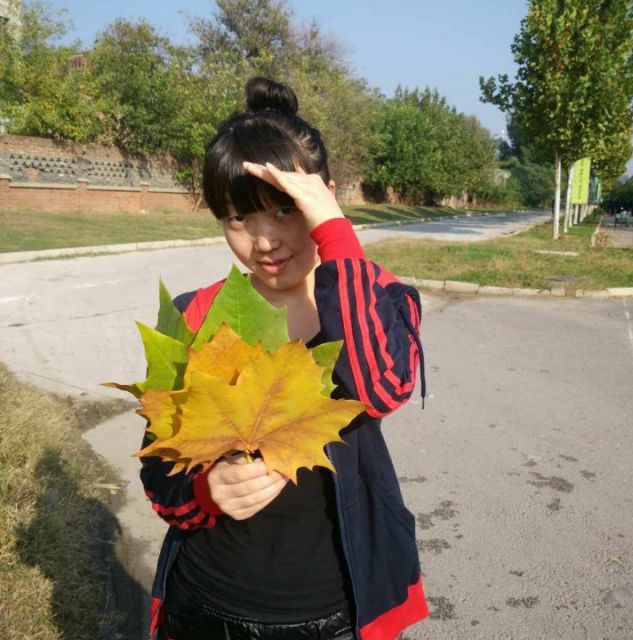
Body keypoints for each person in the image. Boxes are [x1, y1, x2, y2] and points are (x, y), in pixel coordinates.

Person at [141, 76, 429, 640]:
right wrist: (205, 493)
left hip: (334, 607)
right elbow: (159, 465)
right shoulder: (197, 313)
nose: (265, 239)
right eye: (238, 218)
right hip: (206, 600)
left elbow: (381, 389)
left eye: (284, 208)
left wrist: (335, 234)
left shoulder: (379, 297)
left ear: (324, 198)